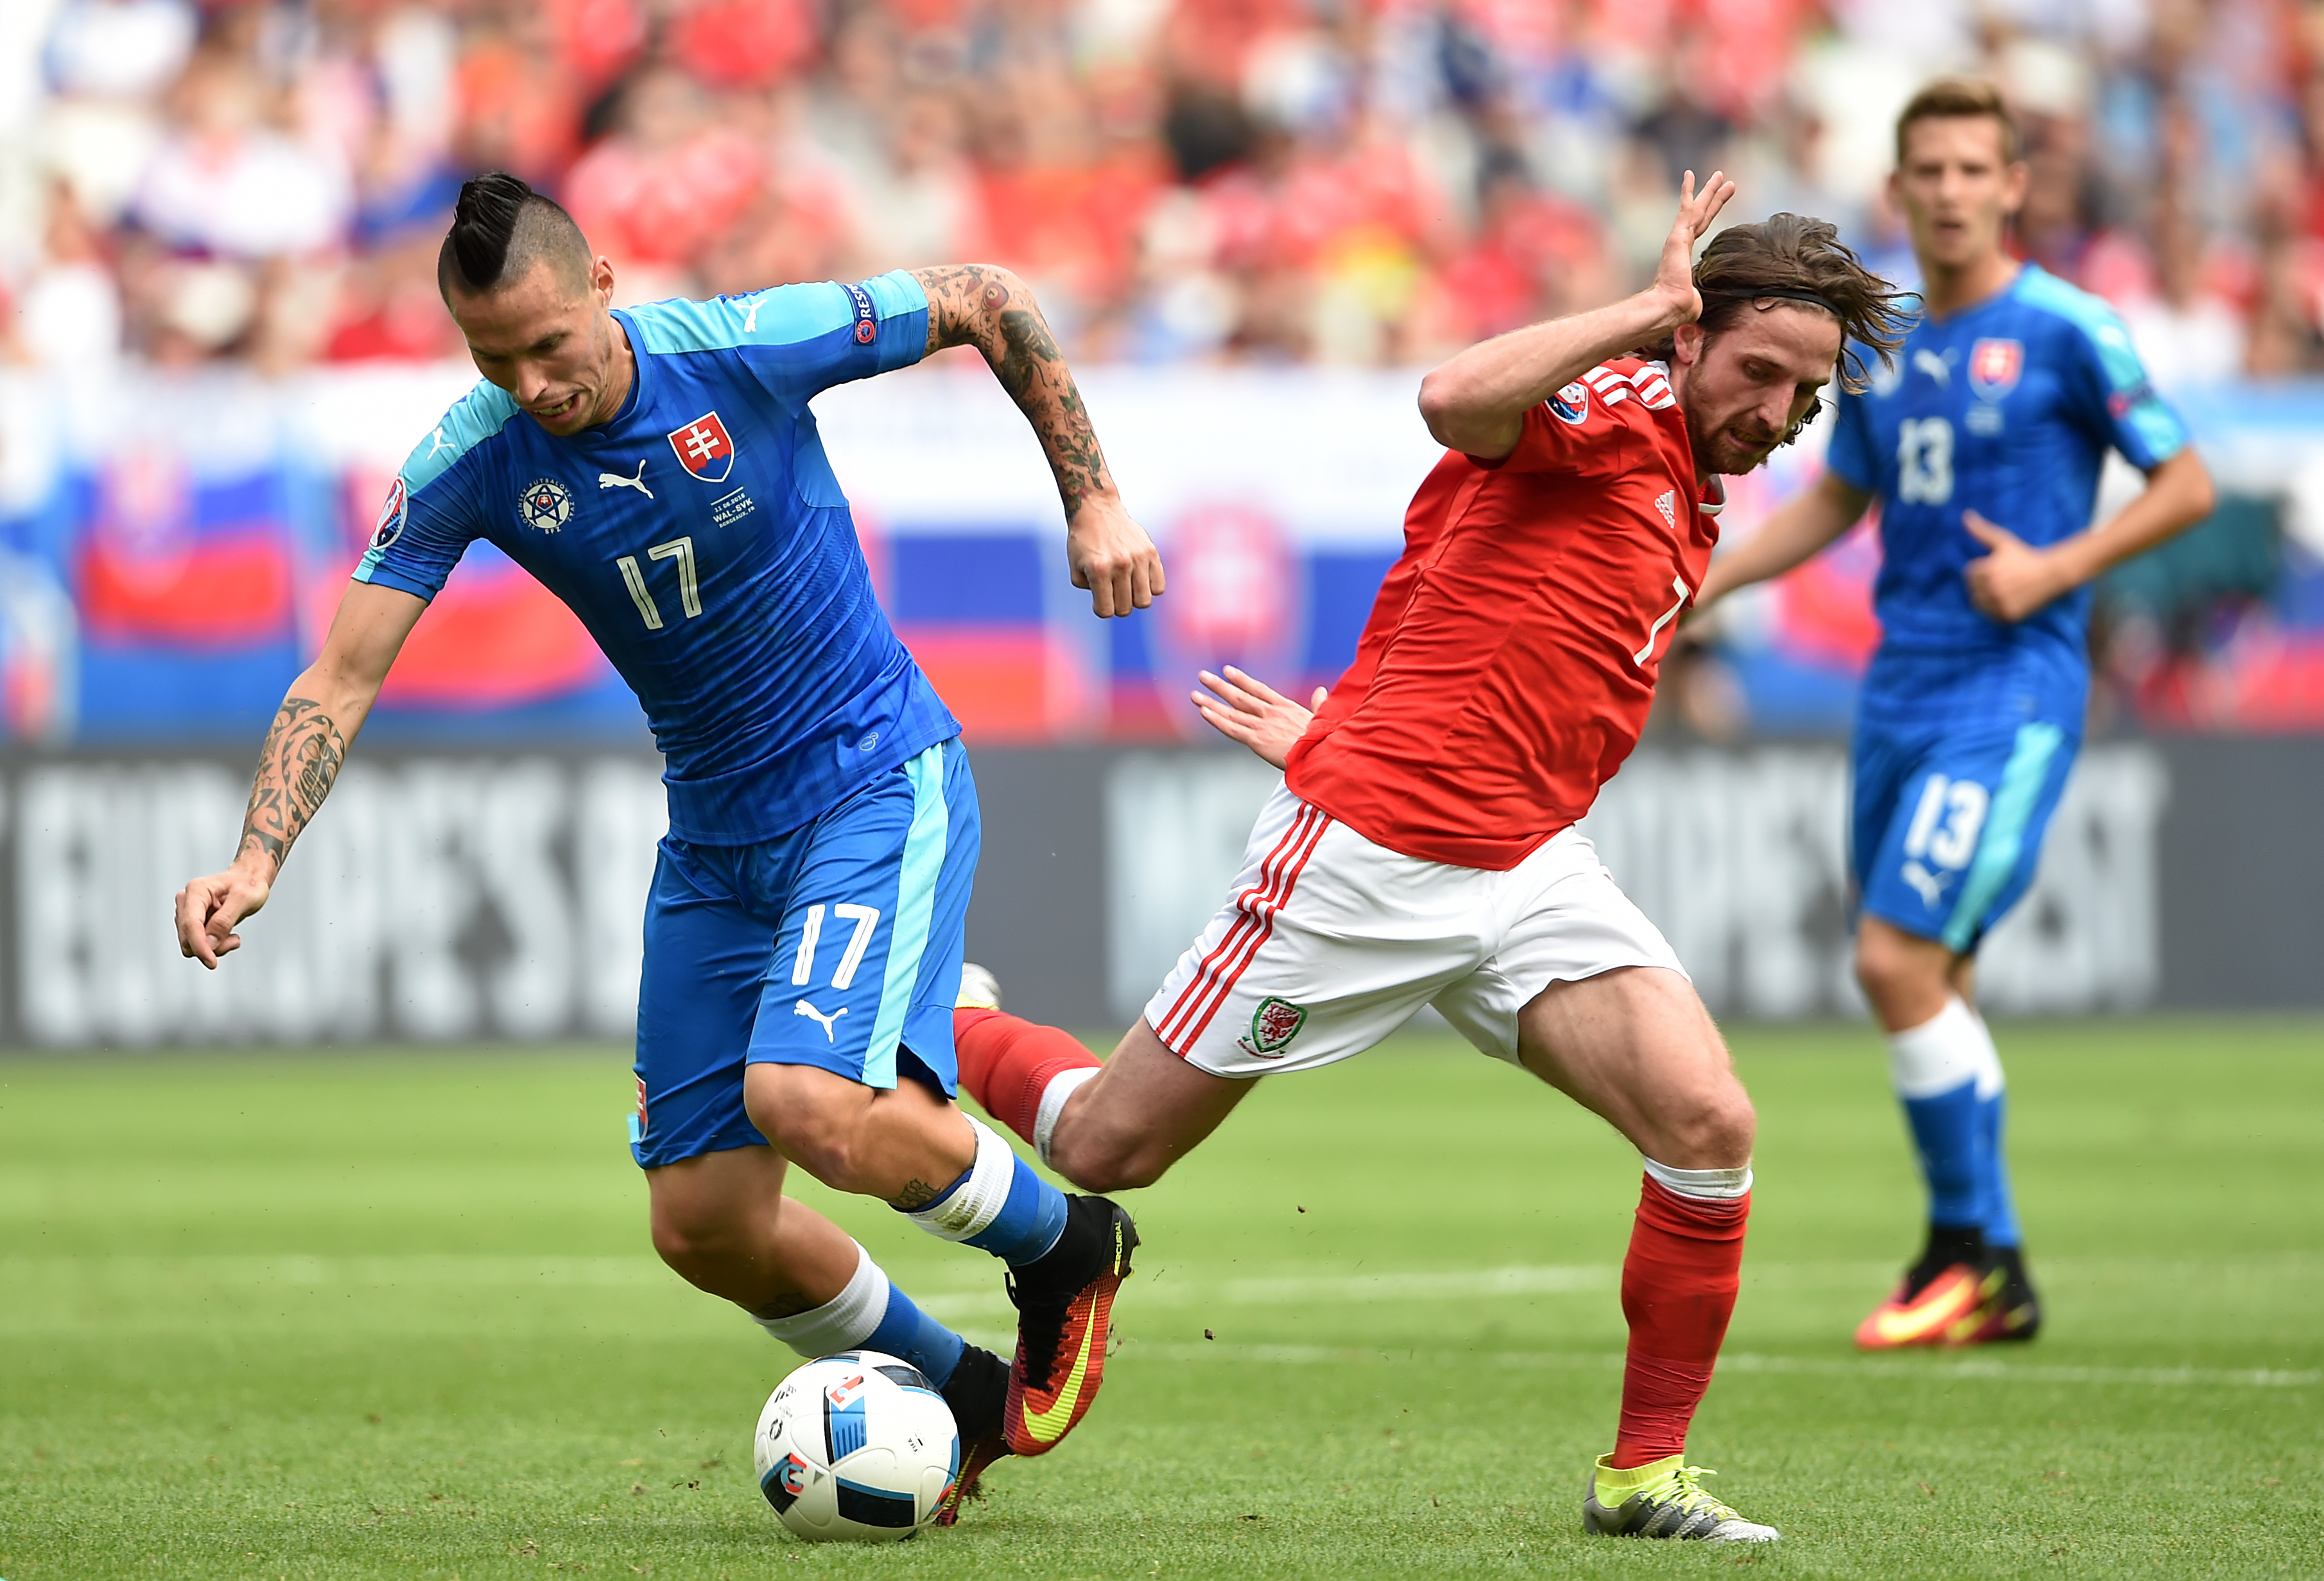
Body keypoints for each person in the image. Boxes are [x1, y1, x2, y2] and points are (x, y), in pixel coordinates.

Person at [171, 172, 1164, 1519]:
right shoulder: (473, 454)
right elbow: (338, 677)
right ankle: (969, 1396)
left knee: (802, 1101)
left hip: (870, 781)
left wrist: (1092, 499)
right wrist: (260, 855)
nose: (531, 381)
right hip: (714, 845)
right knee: (700, 1226)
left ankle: (1065, 1246)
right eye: (493, 357)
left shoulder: (746, 346)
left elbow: (989, 300)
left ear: (602, 286)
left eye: (548, 345)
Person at [946, 173, 1909, 1542]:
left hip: (1525, 867)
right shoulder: (1615, 408)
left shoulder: (1697, 487)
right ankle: (948, 1015)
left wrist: (1351, 720)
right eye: (1758, 371)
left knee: (1709, 1127)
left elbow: (1482, 621)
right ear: (1690, 336)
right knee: (1110, 1143)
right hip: (1371, 860)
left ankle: (1642, 1477)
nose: (1775, 412)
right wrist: (1640, 309)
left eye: (1802, 397)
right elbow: (1455, 399)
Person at [1690, 79, 2216, 1350]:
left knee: (1891, 960)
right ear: (1900, 184)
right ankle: (1972, 1258)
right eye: (1926, 168)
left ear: (2011, 186)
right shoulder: (1882, 342)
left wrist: (2054, 567)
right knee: (1938, 977)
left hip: (2009, 687)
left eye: (1973, 168)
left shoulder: (2067, 328)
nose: (1948, 190)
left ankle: (1978, 1257)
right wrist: (1693, 582)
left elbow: (2187, 482)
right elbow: (1836, 502)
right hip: (1898, 688)